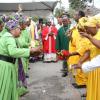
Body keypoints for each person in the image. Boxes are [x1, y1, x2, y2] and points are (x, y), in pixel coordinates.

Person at [0, 19, 42, 100]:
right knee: (7, 88)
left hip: (5, 65)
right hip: (6, 67)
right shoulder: (9, 38)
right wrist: (30, 50)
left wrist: (30, 51)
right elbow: (13, 52)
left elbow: (20, 47)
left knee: (7, 88)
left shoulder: (6, 36)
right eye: (19, 28)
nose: (20, 31)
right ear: (13, 29)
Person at [74, 19, 100, 100]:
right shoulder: (91, 37)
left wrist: (89, 37)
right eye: (85, 28)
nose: (86, 30)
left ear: (94, 27)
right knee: (92, 88)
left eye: (87, 28)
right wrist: (80, 62)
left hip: (98, 67)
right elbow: (88, 51)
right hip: (93, 67)